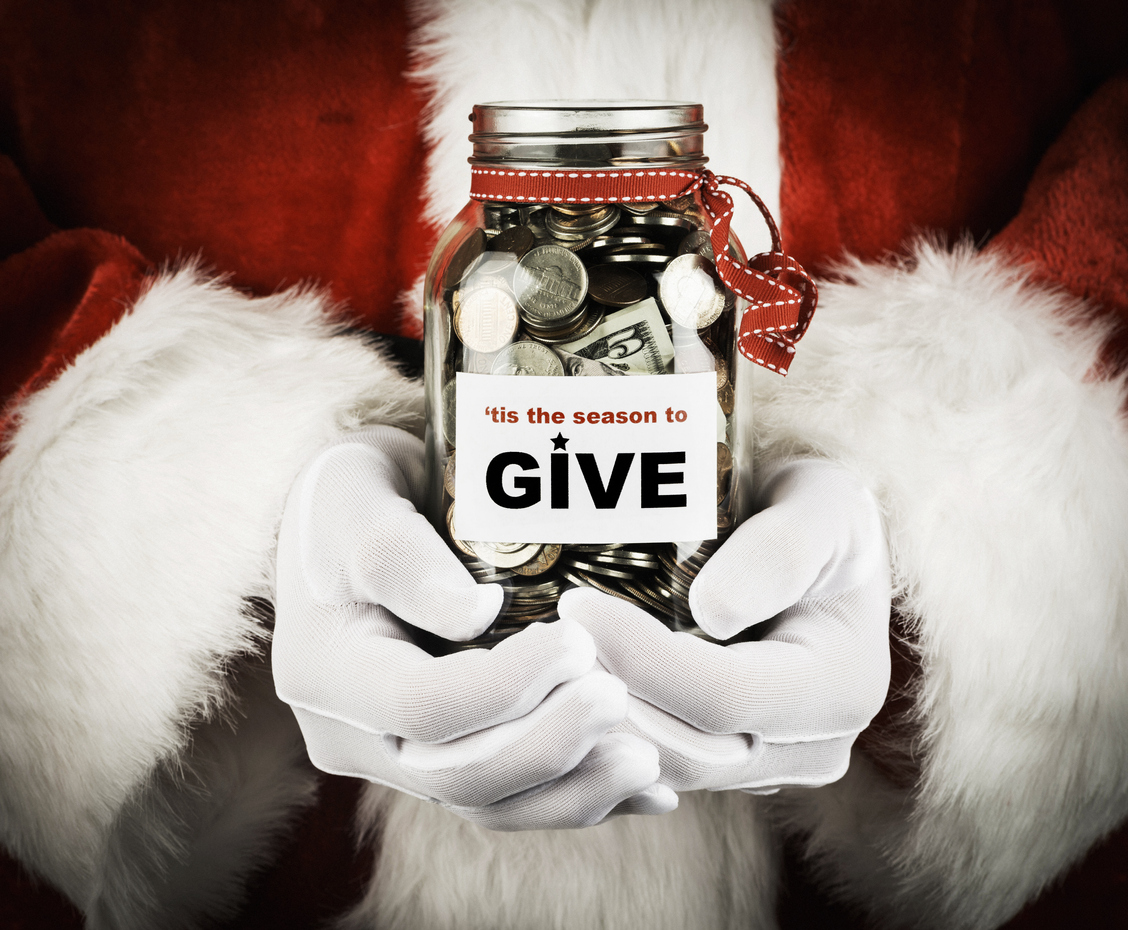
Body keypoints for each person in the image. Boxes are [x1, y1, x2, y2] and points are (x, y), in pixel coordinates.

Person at [1, 2, 1127, 928]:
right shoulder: (501, 269)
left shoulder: (633, 264)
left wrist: (960, 560)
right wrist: (217, 535)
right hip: (308, 863)